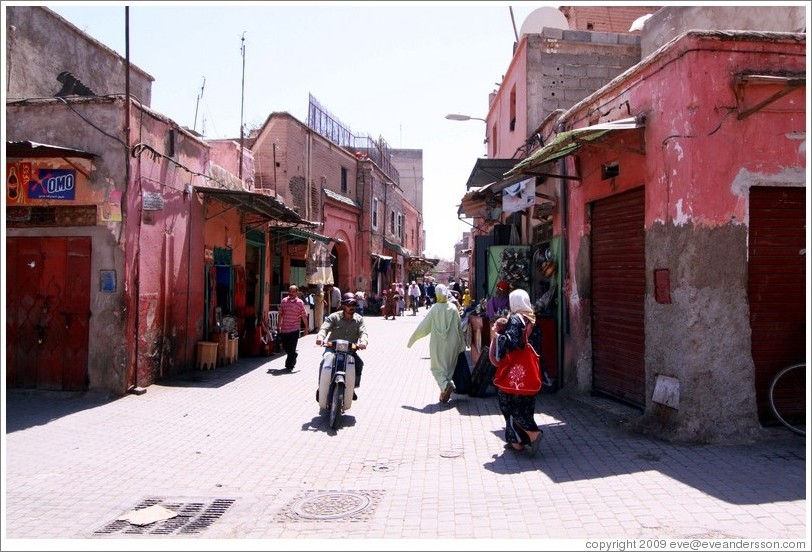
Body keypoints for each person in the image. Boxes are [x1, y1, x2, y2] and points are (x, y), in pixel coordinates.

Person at [488, 289, 543, 457]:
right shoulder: (532, 318)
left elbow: (510, 342)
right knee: (525, 406)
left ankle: (533, 434)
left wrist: (496, 335)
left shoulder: (515, 319)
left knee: (508, 403)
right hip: (529, 370)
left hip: (514, 370)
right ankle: (517, 441)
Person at [406, 284, 466, 404]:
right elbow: (459, 328)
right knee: (448, 369)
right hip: (453, 344)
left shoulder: (434, 309)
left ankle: (446, 385)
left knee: (436, 369)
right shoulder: (454, 309)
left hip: (438, 344)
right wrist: (462, 344)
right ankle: (444, 392)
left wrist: (412, 339)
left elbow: (424, 327)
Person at [316, 292, 369, 397]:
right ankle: (320, 387)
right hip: (332, 348)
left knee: (359, 364)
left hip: (350, 350)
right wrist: (320, 337)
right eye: (349, 305)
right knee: (324, 361)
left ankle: (352, 387)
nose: (352, 307)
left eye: (354, 305)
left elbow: (363, 332)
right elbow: (324, 328)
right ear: (343, 305)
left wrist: (363, 342)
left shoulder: (359, 319)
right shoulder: (334, 317)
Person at [277, 285, 310, 371]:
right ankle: (294, 355)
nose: (291, 293)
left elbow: (303, 315)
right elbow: (280, 314)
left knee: (292, 347)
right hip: (284, 328)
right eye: (290, 291)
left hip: (295, 329)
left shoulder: (300, 303)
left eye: (293, 291)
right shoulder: (284, 301)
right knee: (285, 347)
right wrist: (278, 325)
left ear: (296, 292)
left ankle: (289, 365)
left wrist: (306, 327)